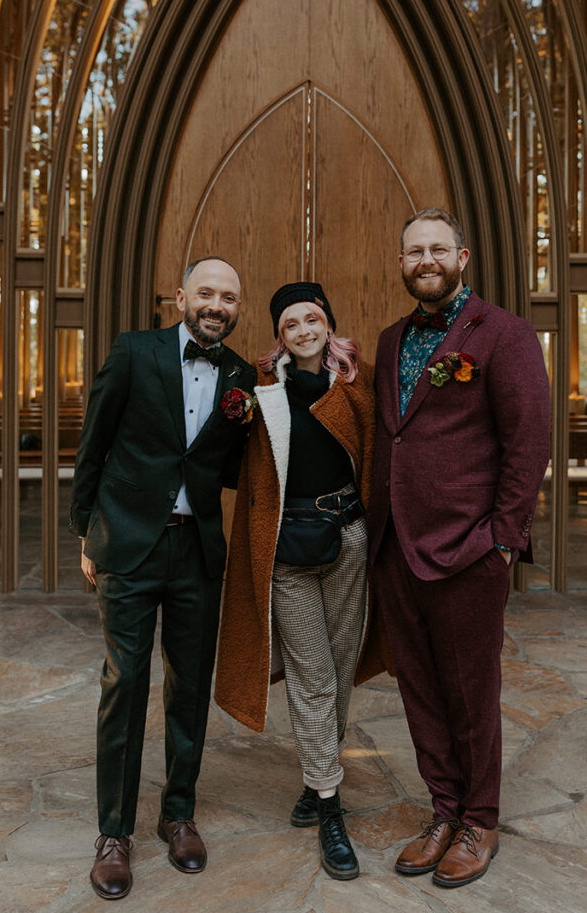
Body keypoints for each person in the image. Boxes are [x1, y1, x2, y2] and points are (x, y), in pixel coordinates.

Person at [367, 208, 550, 889]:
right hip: (395, 548)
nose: (425, 260)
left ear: (461, 257)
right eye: (413, 250)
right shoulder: (389, 341)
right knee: (418, 689)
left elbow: (528, 443)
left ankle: (480, 819)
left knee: (471, 693)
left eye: (436, 249)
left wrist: (501, 539)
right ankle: (442, 811)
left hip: (468, 548)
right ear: (401, 263)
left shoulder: (502, 335)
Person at [70, 257, 256, 900]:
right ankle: (114, 834)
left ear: (237, 308)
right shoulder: (133, 352)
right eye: (206, 292)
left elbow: (236, 465)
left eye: (228, 297)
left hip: (196, 552)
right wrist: (85, 530)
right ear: (181, 296)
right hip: (127, 543)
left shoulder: (241, 377)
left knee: (188, 686)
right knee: (125, 683)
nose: (216, 305)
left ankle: (178, 814)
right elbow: (94, 442)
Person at [214, 281, 389, 881]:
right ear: (280, 336)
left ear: (327, 325)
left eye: (312, 318)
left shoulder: (355, 389)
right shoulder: (262, 394)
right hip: (286, 550)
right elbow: (232, 461)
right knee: (312, 676)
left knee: (339, 672)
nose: (304, 330)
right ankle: (333, 809)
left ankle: (317, 779)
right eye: (291, 324)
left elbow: (379, 462)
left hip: (346, 541)